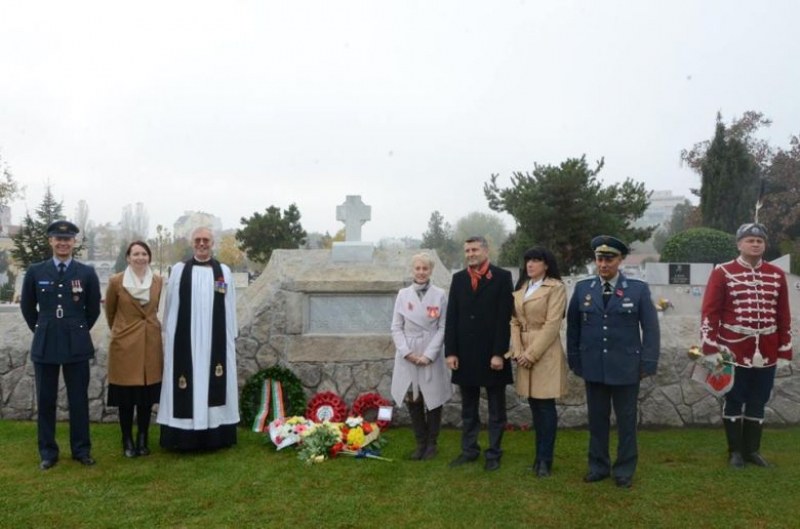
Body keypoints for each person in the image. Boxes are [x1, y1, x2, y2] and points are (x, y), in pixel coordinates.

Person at [566, 235, 659, 488]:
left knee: (627, 422)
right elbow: (573, 327)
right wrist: (575, 359)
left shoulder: (638, 289)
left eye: (609, 259)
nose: (604, 264)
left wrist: (647, 362)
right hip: (594, 366)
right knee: (597, 420)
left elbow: (650, 329)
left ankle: (624, 470)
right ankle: (598, 466)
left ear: (620, 260)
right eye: (599, 259)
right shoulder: (584, 288)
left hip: (627, 368)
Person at [700, 223, 792, 468]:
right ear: (739, 244)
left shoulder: (776, 274)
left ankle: (752, 451)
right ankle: (735, 452)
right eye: (749, 240)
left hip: (767, 349)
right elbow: (710, 311)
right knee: (734, 398)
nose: (755, 244)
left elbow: (783, 313)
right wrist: (709, 345)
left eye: (759, 240)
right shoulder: (723, 272)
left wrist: (785, 346)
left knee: (758, 399)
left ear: (765, 245)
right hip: (733, 348)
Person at [20, 220, 101, 470]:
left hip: (76, 343)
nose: (63, 243)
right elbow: (27, 307)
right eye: (58, 239)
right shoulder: (36, 271)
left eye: (67, 239)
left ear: (74, 243)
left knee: (78, 400)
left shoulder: (86, 273)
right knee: (46, 400)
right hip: (45, 342)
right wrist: (42, 328)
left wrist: (76, 329)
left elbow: (94, 309)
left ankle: (81, 449)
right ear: (51, 241)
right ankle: (48, 451)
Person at [157, 227, 239, 451]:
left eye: (206, 240)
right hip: (186, 340)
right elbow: (170, 305)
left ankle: (216, 434)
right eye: (198, 240)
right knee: (186, 383)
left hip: (216, 340)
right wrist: (170, 335)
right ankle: (183, 436)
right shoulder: (179, 270)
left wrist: (231, 334)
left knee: (214, 381)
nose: (202, 244)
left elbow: (229, 304)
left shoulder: (223, 271)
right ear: (192, 243)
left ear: (213, 243)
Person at [445, 236, 514, 471]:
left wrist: (499, 353)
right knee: (468, 409)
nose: (470, 254)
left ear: (486, 250)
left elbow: (505, 319)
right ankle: (469, 450)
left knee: (496, 409)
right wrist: (451, 351)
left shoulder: (502, 278)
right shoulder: (459, 279)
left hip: (492, 354)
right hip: (465, 355)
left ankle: (494, 453)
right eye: (467, 250)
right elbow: (452, 317)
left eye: (474, 249)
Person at [508, 247, 567, 477]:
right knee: (534, 405)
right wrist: (519, 350)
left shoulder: (555, 287)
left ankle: (545, 460)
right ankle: (538, 457)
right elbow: (514, 321)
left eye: (535, 260)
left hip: (544, 352)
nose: (530, 264)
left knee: (545, 407)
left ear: (546, 264)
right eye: (528, 260)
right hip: (524, 351)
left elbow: (553, 324)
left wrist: (531, 354)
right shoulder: (522, 288)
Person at [390, 253, 452, 460]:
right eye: (417, 268)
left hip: (430, 351)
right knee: (413, 398)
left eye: (425, 268)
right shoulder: (402, 294)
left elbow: (443, 327)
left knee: (433, 398)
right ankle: (421, 442)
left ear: (431, 270)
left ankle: (432, 444)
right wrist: (406, 352)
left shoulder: (440, 294)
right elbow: (396, 327)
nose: (421, 272)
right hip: (408, 351)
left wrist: (428, 355)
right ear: (412, 270)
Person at [105, 241, 164, 458]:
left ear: (149, 257)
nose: (140, 258)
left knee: (146, 397)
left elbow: (155, 308)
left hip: (150, 343)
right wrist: (121, 332)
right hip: (125, 344)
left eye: (144, 254)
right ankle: (127, 438)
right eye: (135, 254)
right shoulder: (116, 281)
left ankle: (143, 437)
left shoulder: (158, 281)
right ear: (128, 258)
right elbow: (110, 312)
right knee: (126, 397)